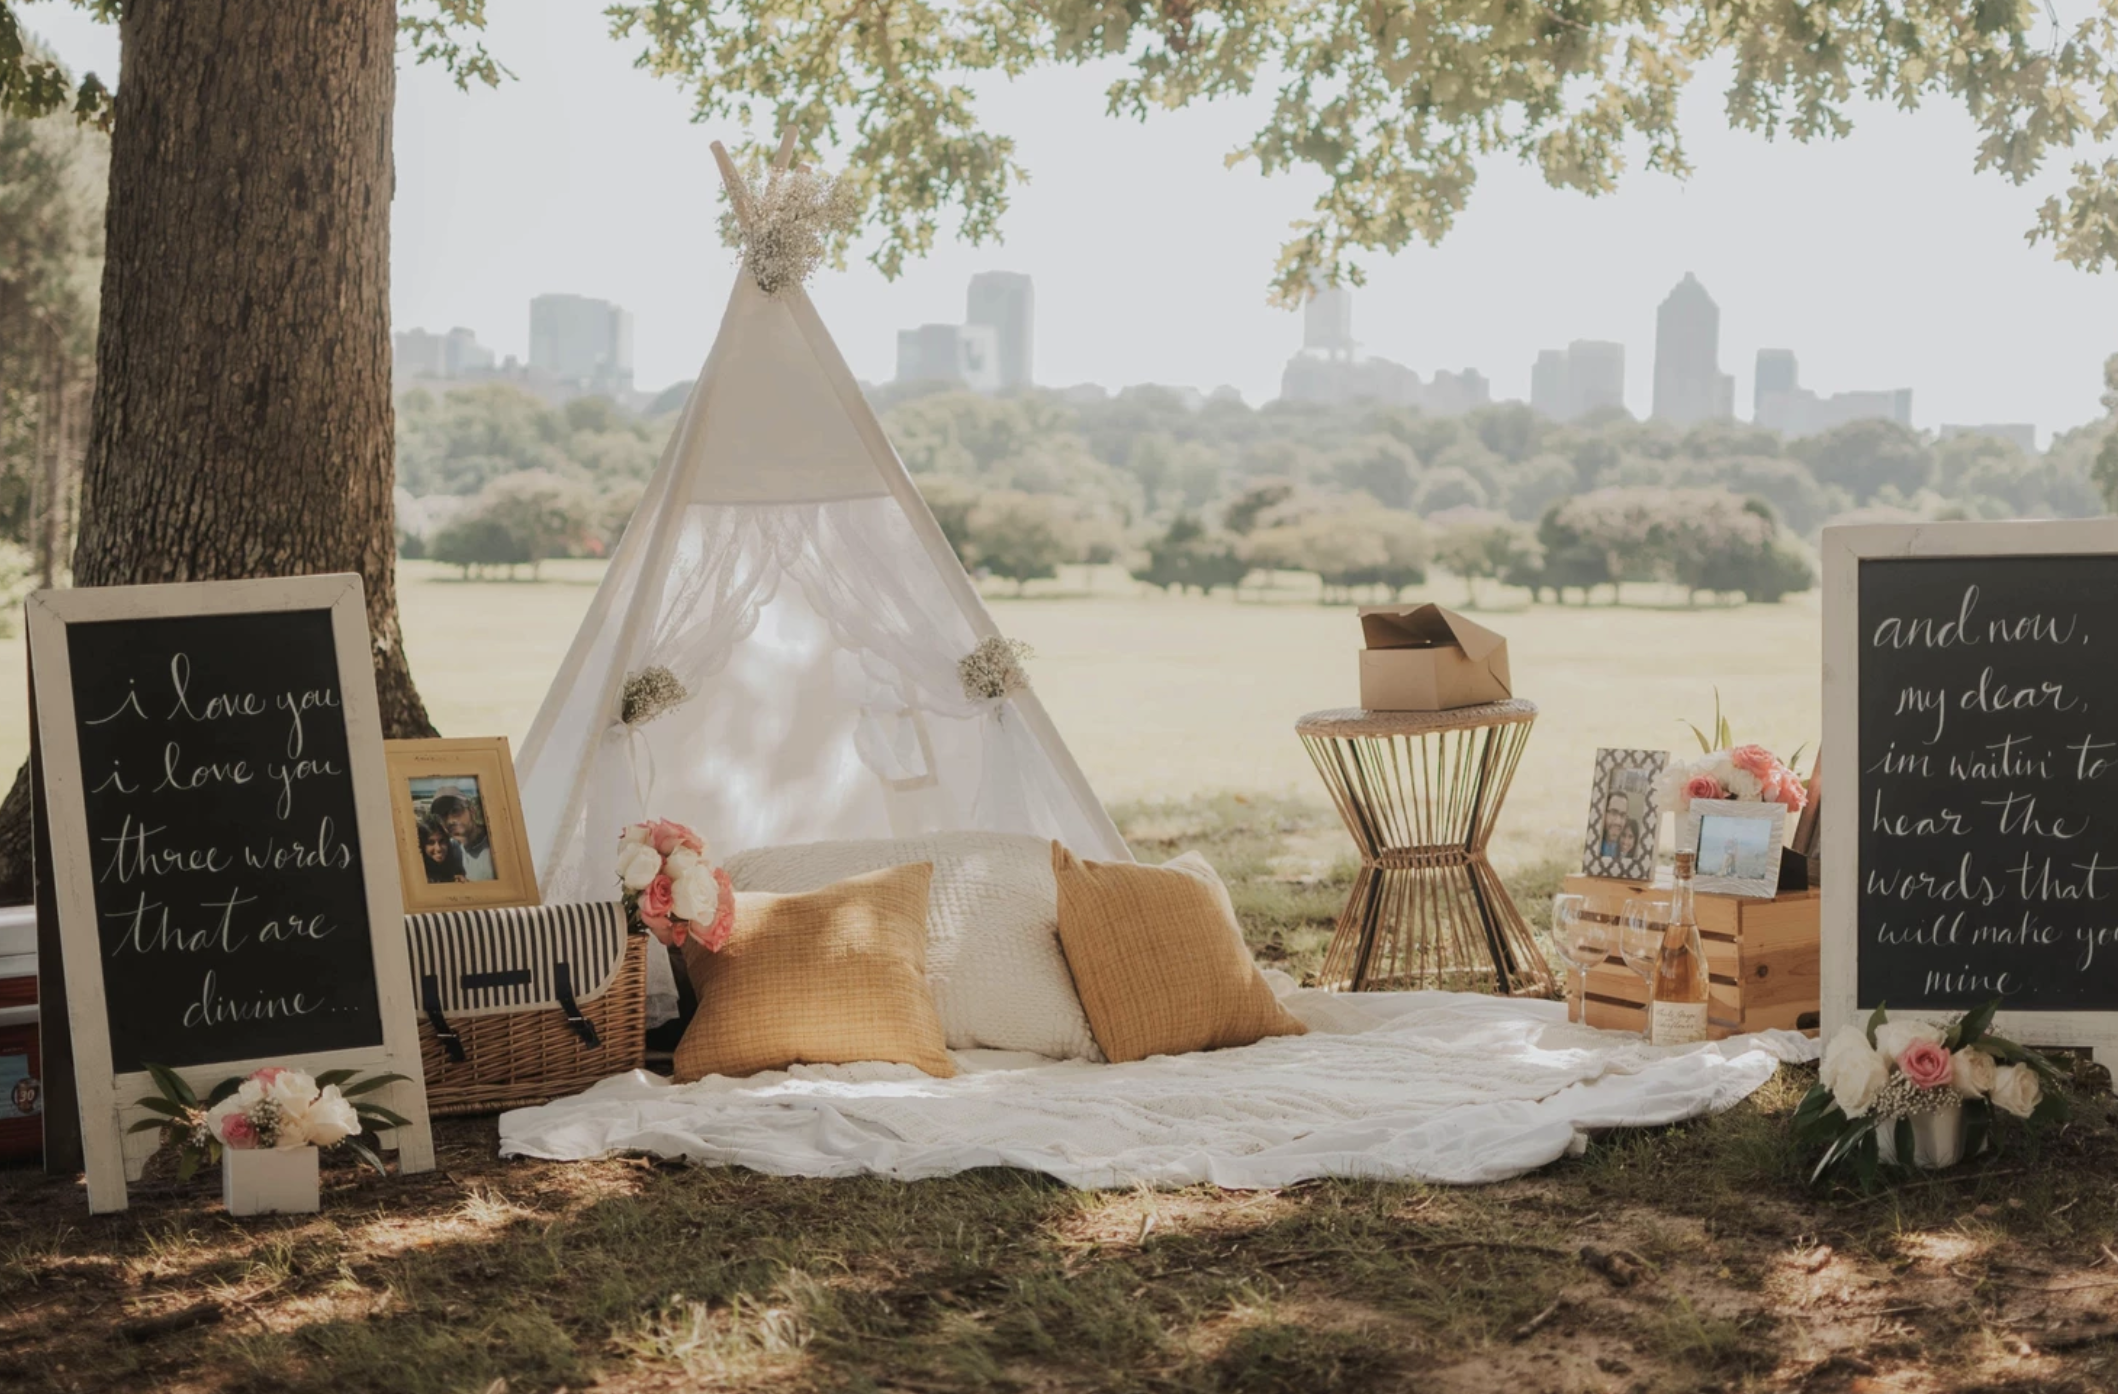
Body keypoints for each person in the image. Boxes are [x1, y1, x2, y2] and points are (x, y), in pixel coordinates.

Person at [429, 791, 496, 882]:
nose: (450, 821)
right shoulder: (450, 847)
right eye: (443, 815)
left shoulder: (495, 846)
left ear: (472, 811)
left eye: (455, 810)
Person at [419, 817, 467, 884]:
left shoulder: (455, 857)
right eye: (431, 842)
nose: (438, 848)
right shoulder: (419, 874)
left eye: (442, 841)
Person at [1596, 791, 1631, 859]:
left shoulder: (1626, 849)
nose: (1618, 821)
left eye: (1623, 815)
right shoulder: (1594, 845)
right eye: (1613, 813)